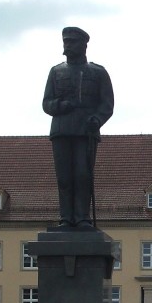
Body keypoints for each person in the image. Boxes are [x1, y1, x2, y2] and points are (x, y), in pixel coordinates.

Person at [42, 26, 114, 229]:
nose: (67, 45)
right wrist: (60, 105)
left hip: (85, 132)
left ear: (84, 44)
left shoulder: (98, 72)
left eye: (72, 41)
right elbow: (46, 103)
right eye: (66, 41)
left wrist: (97, 120)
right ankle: (66, 218)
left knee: (83, 175)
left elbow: (107, 105)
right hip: (62, 130)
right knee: (64, 177)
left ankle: (82, 218)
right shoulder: (56, 72)